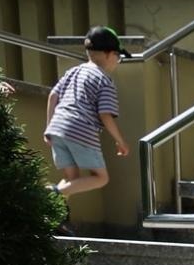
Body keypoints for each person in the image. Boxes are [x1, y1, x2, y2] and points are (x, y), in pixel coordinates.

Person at [42, 27, 129, 200]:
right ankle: (50, 192)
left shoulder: (73, 72)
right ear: (108, 54)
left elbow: (53, 96)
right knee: (101, 178)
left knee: (72, 181)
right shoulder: (104, 80)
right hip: (80, 129)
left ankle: (51, 205)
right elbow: (105, 115)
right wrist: (121, 141)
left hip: (56, 127)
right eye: (118, 56)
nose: (117, 61)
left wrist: (48, 127)